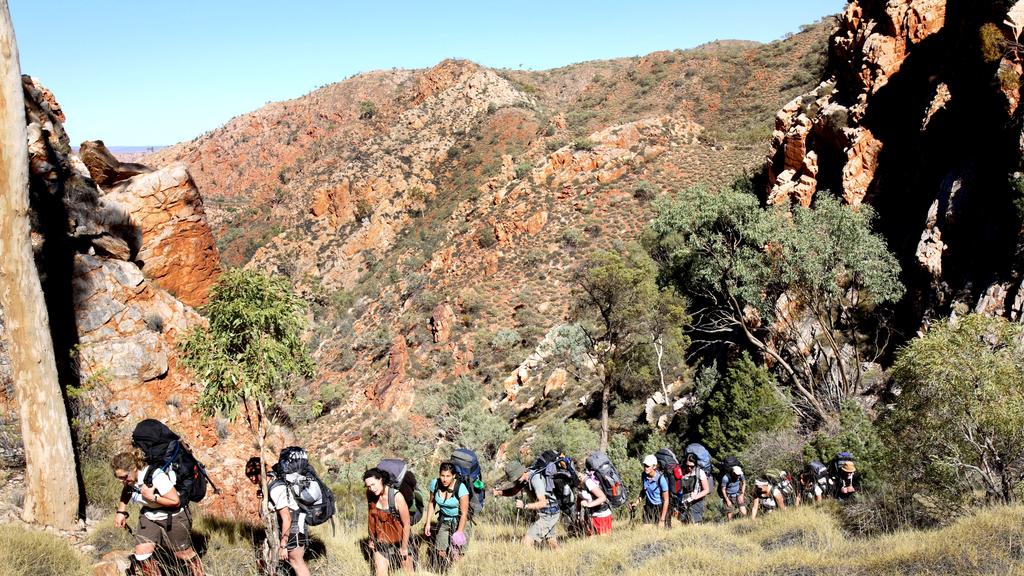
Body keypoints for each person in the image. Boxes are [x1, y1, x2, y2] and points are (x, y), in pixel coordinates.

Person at [111, 450, 205, 576]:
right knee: (141, 554)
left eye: (124, 477)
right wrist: (121, 511)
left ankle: (199, 573)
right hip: (149, 516)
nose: (122, 481)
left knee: (182, 554)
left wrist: (153, 497)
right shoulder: (130, 480)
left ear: (134, 469)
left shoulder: (156, 477)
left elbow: (175, 501)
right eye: (119, 478)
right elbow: (127, 489)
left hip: (174, 516)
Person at [245, 456, 311, 576]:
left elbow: (287, 517)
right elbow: (262, 514)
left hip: (294, 524)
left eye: (255, 473)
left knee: (296, 561)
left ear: (262, 471)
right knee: (266, 558)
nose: (252, 478)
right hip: (284, 526)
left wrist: (283, 545)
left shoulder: (276, 489)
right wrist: (261, 498)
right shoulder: (266, 484)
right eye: (249, 475)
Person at [491, 461, 561, 549]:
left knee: (526, 542)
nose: (516, 480)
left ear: (522, 472)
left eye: (517, 477)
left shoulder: (535, 479)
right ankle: (563, 558)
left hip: (549, 513)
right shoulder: (524, 479)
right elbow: (513, 491)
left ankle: (526, 562)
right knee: (551, 541)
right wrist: (499, 492)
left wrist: (525, 506)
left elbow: (543, 503)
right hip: (547, 513)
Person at [364, 468, 414, 575]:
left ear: (381, 480)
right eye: (368, 486)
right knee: (380, 573)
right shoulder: (370, 495)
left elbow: (406, 524)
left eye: (373, 484)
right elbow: (372, 518)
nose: (371, 488)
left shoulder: (397, 497)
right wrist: (371, 538)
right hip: (382, 540)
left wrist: (404, 547)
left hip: (401, 538)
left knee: (408, 572)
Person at [424, 462, 470, 569]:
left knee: (457, 555)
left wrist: (459, 531)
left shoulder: (461, 488)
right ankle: (447, 568)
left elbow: (464, 514)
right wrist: (427, 523)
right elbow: (431, 503)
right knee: (440, 551)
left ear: (453, 476)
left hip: (460, 522)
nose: (445, 479)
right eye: (442, 475)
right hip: (444, 521)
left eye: (448, 476)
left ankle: (456, 571)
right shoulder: (435, 484)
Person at [631, 455, 670, 528]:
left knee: (660, 531)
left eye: (648, 466)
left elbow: (666, 500)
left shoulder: (661, 479)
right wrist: (636, 502)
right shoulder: (644, 475)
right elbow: (644, 490)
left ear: (654, 466)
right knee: (645, 530)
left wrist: (662, 520)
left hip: (660, 507)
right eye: (645, 465)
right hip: (649, 506)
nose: (645, 468)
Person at [576, 467, 612, 535]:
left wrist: (588, 505)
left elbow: (602, 498)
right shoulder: (578, 483)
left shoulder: (588, 482)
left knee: (602, 542)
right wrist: (578, 513)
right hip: (591, 516)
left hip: (601, 516)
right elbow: (579, 497)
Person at [678, 453, 711, 524]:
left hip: (696, 502)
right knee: (683, 523)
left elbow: (706, 490)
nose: (689, 468)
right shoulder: (681, 472)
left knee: (695, 523)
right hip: (683, 501)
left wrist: (696, 497)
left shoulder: (700, 473)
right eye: (687, 466)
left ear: (695, 465)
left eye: (691, 466)